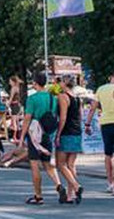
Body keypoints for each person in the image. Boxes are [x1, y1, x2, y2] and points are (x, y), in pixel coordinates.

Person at [21, 71, 63, 205]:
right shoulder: (53, 99)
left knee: (34, 165)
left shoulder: (32, 99)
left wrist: (22, 136)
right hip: (47, 134)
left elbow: (27, 118)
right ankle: (58, 185)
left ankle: (38, 196)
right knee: (47, 164)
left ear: (34, 83)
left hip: (35, 135)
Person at [55, 74, 83, 204]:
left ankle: (76, 187)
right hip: (77, 131)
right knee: (71, 164)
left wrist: (58, 134)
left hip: (67, 132)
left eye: (60, 81)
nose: (59, 84)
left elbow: (63, 117)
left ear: (65, 83)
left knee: (61, 164)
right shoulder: (77, 98)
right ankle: (70, 195)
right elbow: (80, 116)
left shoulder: (63, 97)